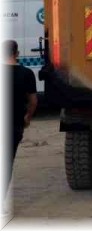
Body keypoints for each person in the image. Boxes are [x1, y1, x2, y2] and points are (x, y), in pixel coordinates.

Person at [4, 41, 36, 200]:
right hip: (14, 125)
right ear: (17, 53)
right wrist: (27, 117)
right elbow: (33, 101)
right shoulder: (26, 73)